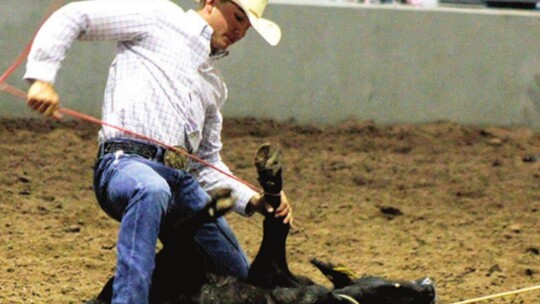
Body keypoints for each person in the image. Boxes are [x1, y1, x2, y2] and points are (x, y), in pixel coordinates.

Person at [24, 0, 293, 303]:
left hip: (179, 181)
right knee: (151, 189)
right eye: (238, 17)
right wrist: (42, 78)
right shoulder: (159, 16)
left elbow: (206, 164)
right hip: (125, 163)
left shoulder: (214, 84)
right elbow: (75, 15)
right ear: (210, 2)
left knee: (232, 270)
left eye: (247, 26)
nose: (240, 30)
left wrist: (253, 198)